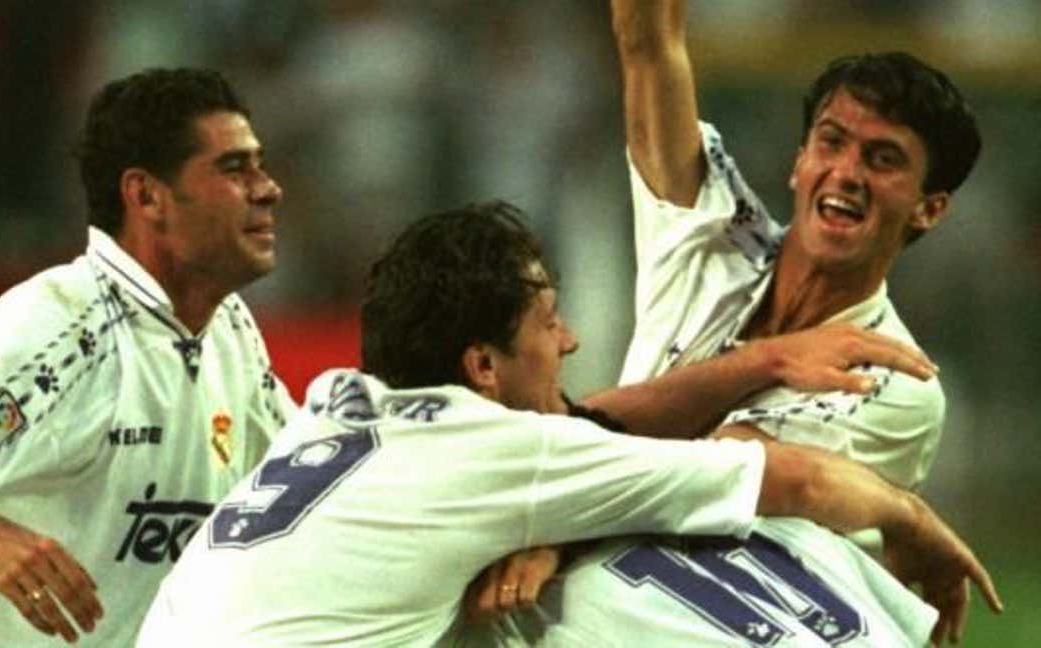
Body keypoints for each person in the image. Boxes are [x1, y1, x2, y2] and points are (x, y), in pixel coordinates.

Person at [135, 202, 997, 647]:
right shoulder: (499, 456)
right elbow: (795, 478)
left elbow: (585, 425)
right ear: (481, 367)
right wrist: (912, 521)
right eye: (548, 323)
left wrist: (766, 362)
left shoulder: (333, 402)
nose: (572, 340)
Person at [471, 1, 988, 645]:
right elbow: (648, 44)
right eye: (832, 141)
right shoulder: (713, 234)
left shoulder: (899, 386)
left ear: (928, 209)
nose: (847, 173)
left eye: (883, 160)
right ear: (799, 161)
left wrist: (555, 530)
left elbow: (712, 475)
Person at [0, 67, 296, 646]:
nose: (267, 187)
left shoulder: (228, 328)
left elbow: (294, 480)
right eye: (234, 167)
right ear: (146, 195)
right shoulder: (66, 328)